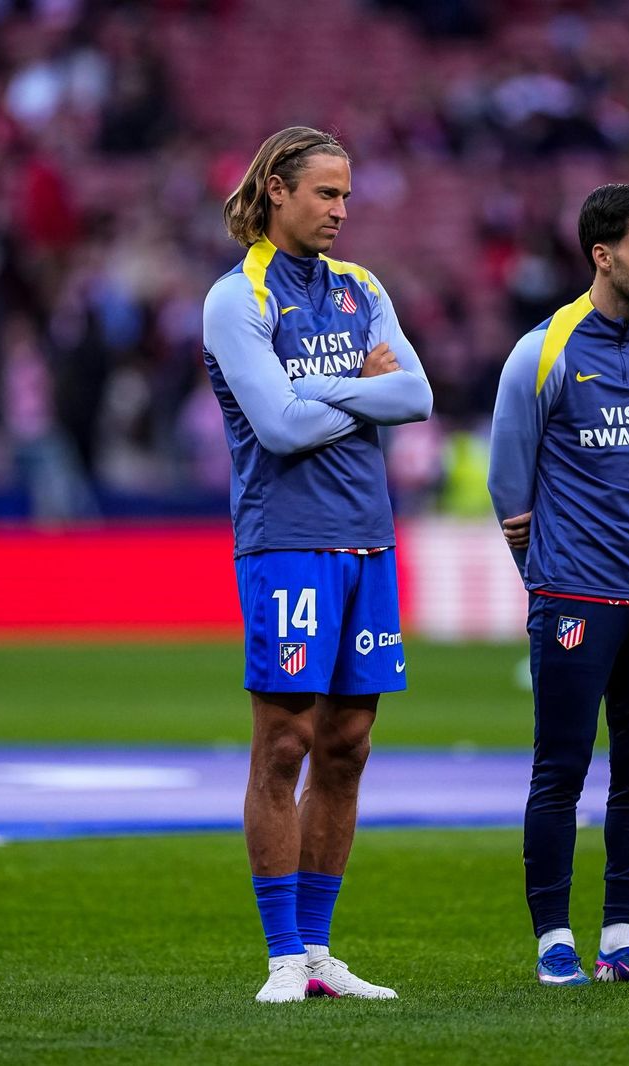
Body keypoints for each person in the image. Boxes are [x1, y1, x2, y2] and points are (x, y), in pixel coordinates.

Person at [201, 127, 433, 1003]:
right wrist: (358, 392)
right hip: (287, 543)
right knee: (286, 740)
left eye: (346, 195)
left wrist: (316, 391)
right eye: (325, 194)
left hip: (368, 539)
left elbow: (417, 395)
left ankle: (323, 950)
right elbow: (279, 428)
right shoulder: (237, 298)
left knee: (348, 744)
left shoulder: (361, 288)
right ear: (275, 192)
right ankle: (282, 955)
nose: (341, 210)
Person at [488, 184, 629, 988]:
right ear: (602, 255)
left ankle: (621, 939)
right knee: (561, 772)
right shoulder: (541, 352)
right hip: (576, 597)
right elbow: (511, 492)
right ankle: (553, 945)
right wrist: (549, 586)